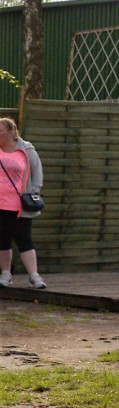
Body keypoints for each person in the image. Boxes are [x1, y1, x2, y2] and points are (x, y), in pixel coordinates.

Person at [0, 117, 46, 289]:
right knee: (2, 240)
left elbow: (37, 173)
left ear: (11, 132)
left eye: (0, 131)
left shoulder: (27, 149)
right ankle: (5, 274)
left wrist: (33, 193)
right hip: (0, 205)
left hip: (20, 206)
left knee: (24, 239)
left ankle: (34, 276)